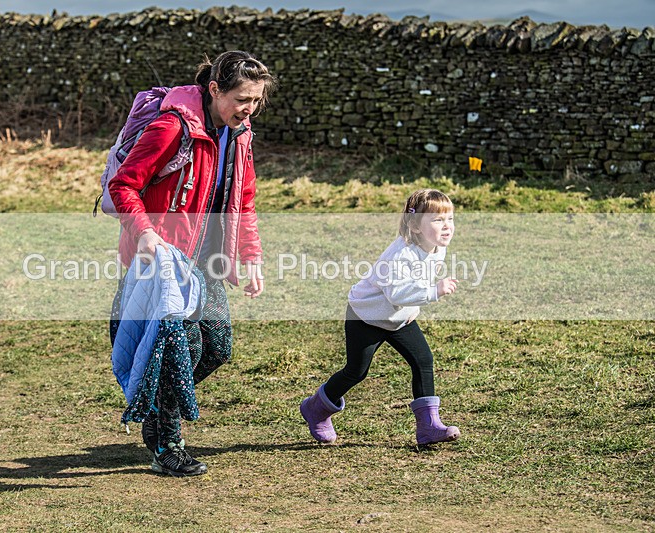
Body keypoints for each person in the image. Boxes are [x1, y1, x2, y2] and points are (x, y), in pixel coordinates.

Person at [108, 51, 276, 476]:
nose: (249, 109)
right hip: (164, 262)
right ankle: (168, 446)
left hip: (209, 263)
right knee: (182, 351)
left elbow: (245, 201)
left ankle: (155, 409)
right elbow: (124, 183)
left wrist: (251, 257)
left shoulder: (240, 135)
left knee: (217, 349)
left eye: (256, 100)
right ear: (215, 89)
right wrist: (144, 231)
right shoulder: (172, 128)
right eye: (242, 99)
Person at [300, 189, 462, 446]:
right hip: (366, 317)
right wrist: (434, 291)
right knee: (356, 371)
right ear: (415, 226)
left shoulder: (436, 248)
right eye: (437, 220)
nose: (447, 226)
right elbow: (397, 293)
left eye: (450, 219)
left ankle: (429, 428)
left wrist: (414, 308)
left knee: (423, 361)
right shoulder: (399, 255)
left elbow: (414, 284)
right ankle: (316, 410)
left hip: (399, 319)